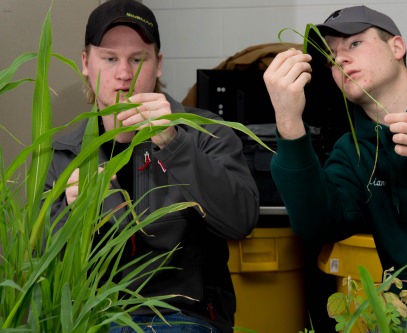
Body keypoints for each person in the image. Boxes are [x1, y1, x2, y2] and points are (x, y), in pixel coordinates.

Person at [263, 4, 407, 326]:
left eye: (354, 43)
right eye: (332, 56)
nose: (341, 59)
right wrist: (289, 123)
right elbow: (318, 224)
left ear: (397, 47)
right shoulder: (352, 151)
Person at [45, 0, 260, 332]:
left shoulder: (205, 132)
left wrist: (174, 142)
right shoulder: (65, 151)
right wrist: (74, 215)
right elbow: (42, 263)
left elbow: (241, 220)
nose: (124, 74)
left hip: (183, 317)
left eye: (137, 59)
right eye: (110, 58)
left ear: (158, 64)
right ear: (86, 63)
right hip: (95, 317)